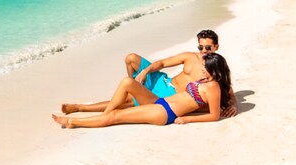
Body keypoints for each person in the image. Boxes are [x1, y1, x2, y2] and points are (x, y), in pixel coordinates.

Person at [53, 52, 236, 128]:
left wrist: (186, 119)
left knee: (117, 116)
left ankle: (73, 122)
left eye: (205, 67)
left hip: (165, 112)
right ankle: (99, 116)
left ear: (214, 70)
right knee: (127, 82)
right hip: (161, 102)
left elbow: (214, 116)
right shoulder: (207, 80)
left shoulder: (213, 86)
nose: (201, 69)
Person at [60, 29, 220, 115]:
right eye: (200, 47)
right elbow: (162, 63)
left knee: (127, 102)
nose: (203, 51)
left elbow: (227, 90)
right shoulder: (189, 56)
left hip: (168, 95)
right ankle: (134, 89)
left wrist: (232, 103)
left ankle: (79, 108)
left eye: (207, 47)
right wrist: (145, 72)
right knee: (131, 58)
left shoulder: (215, 68)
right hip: (162, 80)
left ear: (216, 47)